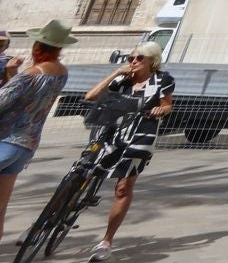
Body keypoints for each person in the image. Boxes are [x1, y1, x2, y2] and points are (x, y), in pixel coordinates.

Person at [81, 40, 175, 261]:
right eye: (130, 58)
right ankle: (48, 221)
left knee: (123, 187)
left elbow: (168, 105)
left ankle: (106, 242)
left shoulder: (163, 79)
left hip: (142, 133)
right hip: (112, 131)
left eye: (139, 58)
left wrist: (161, 109)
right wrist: (115, 73)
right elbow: (91, 96)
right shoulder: (123, 80)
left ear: (153, 61)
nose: (133, 62)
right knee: (82, 173)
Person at [0, 19, 75, 243]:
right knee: (1, 205)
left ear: (37, 47)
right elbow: (27, 101)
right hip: (27, 145)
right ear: (59, 48)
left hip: (6, 140)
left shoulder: (29, 75)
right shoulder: (61, 73)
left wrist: (11, 75)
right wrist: (12, 75)